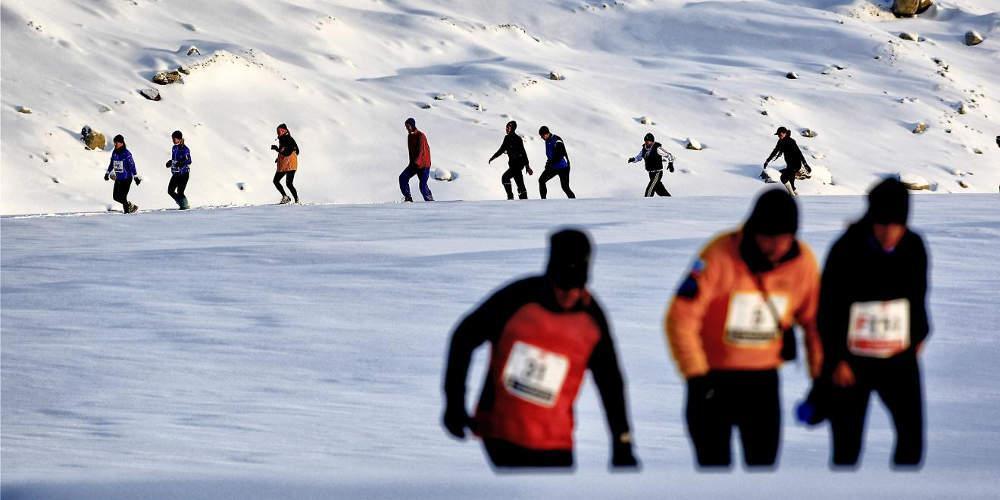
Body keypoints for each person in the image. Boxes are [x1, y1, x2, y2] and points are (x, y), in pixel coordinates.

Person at [443, 229, 638, 470]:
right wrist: (454, 404)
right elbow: (463, 338)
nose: (568, 296)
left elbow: (611, 383)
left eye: (577, 286)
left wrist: (622, 441)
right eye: (562, 286)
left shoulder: (591, 318)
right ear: (550, 274)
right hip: (502, 435)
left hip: (556, 443)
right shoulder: (517, 299)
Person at [665, 189, 823, 468]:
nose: (774, 246)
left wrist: (821, 382)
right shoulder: (719, 255)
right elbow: (681, 317)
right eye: (767, 236)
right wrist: (696, 375)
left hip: (762, 386)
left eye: (782, 238)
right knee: (714, 478)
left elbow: (815, 325)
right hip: (711, 383)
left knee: (761, 478)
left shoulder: (802, 263)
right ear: (753, 229)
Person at [816, 177, 930, 468]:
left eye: (896, 224)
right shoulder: (845, 250)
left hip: (899, 358)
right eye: (882, 224)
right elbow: (827, 312)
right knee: (846, 448)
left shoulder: (914, 246)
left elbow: (917, 300)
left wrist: (919, 336)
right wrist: (836, 361)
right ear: (871, 219)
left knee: (912, 442)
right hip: (852, 362)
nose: (889, 232)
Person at [488, 120, 533, 200]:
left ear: (513, 128)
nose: (506, 129)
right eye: (506, 127)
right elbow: (501, 150)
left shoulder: (515, 139)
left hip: (518, 165)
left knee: (506, 178)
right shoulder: (509, 138)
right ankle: (521, 199)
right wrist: (493, 157)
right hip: (514, 165)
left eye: (508, 127)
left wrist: (527, 166)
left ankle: (511, 197)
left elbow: (523, 153)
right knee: (519, 184)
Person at [763, 127, 811, 197]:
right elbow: (775, 151)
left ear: (785, 133)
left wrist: (805, 164)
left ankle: (792, 196)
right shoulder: (780, 141)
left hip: (796, 164)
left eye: (780, 134)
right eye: (778, 135)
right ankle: (795, 194)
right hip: (789, 165)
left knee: (783, 178)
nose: (779, 136)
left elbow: (799, 153)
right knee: (791, 183)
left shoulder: (791, 141)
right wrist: (767, 160)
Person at [627, 133, 675, 197]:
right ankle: (669, 200)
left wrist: (671, 163)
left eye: (648, 141)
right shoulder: (644, 149)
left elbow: (669, 155)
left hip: (657, 172)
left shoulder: (657, 148)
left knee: (650, 189)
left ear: (652, 141)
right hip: (650, 173)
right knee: (659, 189)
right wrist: (633, 159)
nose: (647, 142)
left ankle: (647, 202)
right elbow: (639, 157)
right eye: (645, 141)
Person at [104, 134, 141, 213]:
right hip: (118, 178)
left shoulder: (127, 154)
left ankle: (127, 213)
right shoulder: (114, 152)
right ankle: (131, 206)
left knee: (123, 197)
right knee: (116, 197)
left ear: (121, 143)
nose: (115, 144)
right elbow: (112, 163)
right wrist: (107, 173)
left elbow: (132, 165)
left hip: (126, 179)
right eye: (114, 142)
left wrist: (135, 176)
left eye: (116, 143)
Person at [399, 117, 433, 202]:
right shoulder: (410, 136)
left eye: (408, 126)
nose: (407, 128)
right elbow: (411, 152)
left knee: (422, 185)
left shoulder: (421, 136)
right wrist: (411, 163)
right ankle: (408, 198)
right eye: (406, 126)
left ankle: (430, 202)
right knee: (403, 177)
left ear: (412, 125)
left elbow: (422, 151)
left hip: (424, 165)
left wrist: (416, 162)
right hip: (414, 164)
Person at [537, 126, 575, 199]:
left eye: (542, 135)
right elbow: (551, 155)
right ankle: (543, 201)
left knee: (565, 187)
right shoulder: (547, 141)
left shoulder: (557, 140)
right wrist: (548, 162)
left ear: (546, 134)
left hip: (563, 167)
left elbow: (559, 155)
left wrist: (550, 163)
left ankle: (574, 202)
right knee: (541, 180)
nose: (541, 137)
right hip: (554, 166)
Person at [270, 123, 299, 204]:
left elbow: (287, 152)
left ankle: (295, 200)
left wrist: (277, 149)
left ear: (284, 131)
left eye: (280, 131)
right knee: (279, 181)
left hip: (289, 164)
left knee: (286, 183)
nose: (278, 132)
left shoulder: (288, 139)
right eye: (278, 131)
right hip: (286, 164)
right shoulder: (284, 139)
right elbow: (295, 151)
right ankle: (289, 198)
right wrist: (278, 157)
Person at [165, 130, 192, 210]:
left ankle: (185, 207)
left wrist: (182, 163)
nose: (173, 140)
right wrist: (170, 162)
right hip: (176, 173)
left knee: (180, 192)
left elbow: (189, 161)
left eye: (175, 138)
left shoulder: (185, 149)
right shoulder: (174, 148)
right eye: (172, 138)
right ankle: (182, 204)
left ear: (179, 139)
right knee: (170, 191)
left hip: (184, 174)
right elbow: (174, 159)